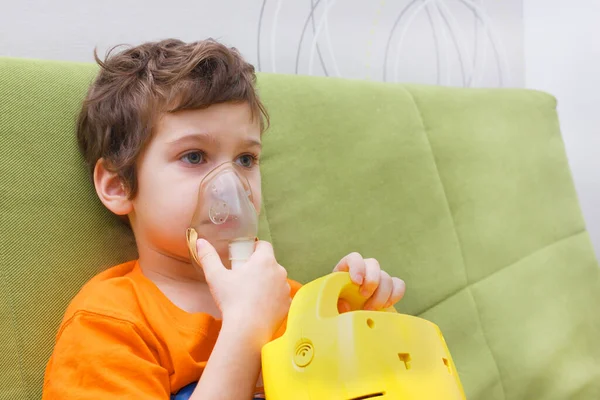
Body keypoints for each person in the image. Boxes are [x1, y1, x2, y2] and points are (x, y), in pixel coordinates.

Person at [42, 38, 406, 400]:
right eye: (195, 157)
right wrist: (246, 329)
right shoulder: (111, 324)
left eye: (246, 159)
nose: (230, 187)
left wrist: (360, 317)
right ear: (119, 185)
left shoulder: (291, 301)